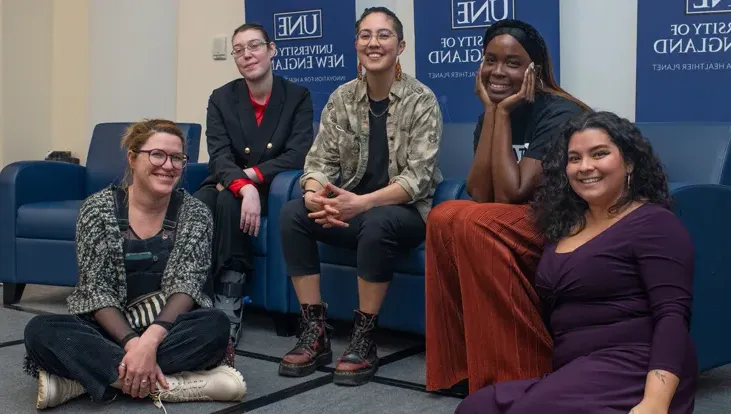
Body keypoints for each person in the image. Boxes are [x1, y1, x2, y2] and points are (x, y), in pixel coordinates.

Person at [456, 111, 698, 413]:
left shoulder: (655, 224)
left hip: (635, 365)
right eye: (574, 158)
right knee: (476, 407)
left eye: (599, 154)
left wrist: (655, 402)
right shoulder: (565, 225)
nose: (585, 167)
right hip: (577, 370)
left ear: (630, 163)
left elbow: (672, 316)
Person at [23, 120, 247, 410]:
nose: (168, 165)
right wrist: (132, 345)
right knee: (40, 331)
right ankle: (171, 384)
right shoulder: (97, 209)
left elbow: (187, 286)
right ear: (132, 157)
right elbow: (97, 290)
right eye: (157, 154)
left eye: (177, 158)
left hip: (168, 330)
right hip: (109, 331)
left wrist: (149, 343)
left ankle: (83, 381)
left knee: (215, 326)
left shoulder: (196, 213)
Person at [276, 6, 442, 386]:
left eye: (384, 35)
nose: (374, 42)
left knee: (379, 221)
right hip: (350, 209)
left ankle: (364, 338)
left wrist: (363, 202)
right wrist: (316, 193)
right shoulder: (341, 98)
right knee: (293, 213)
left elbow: (418, 178)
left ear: (400, 45)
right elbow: (319, 161)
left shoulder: (422, 100)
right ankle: (314, 332)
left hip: (402, 213)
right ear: (356, 45)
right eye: (366, 35)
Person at [424, 18, 590, 394]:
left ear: (536, 69)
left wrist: (499, 114)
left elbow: (514, 191)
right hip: (513, 222)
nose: (498, 71)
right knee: (442, 216)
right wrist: (495, 113)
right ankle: (458, 369)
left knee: (474, 223)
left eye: (513, 63)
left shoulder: (559, 114)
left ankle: (521, 375)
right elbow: (481, 193)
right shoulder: (492, 111)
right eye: (490, 60)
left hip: (560, 223)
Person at [194, 23, 314, 345]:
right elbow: (218, 155)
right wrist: (241, 185)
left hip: (268, 186)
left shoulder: (297, 97)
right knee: (201, 203)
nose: (247, 55)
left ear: (271, 50)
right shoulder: (221, 98)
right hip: (225, 181)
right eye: (239, 50)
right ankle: (193, 299)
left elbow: (299, 154)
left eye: (255, 46)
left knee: (227, 201)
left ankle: (229, 303)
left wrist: (250, 179)